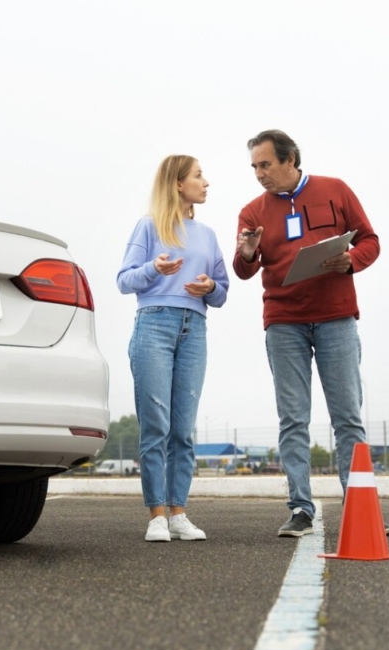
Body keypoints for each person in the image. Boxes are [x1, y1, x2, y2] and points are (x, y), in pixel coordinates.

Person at [231, 129, 389, 538]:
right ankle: (300, 509)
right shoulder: (252, 211)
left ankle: (361, 505)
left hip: (336, 319)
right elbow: (243, 269)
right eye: (254, 167)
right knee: (293, 420)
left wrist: (351, 260)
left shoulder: (336, 189)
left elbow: (371, 240)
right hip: (283, 323)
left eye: (265, 164)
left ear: (290, 160)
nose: (259, 174)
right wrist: (248, 253)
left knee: (348, 418)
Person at [117, 155, 229, 542]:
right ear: (178, 184)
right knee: (157, 426)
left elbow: (222, 291)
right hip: (154, 325)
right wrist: (154, 269)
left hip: (194, 327)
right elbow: (124, 280)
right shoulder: (148, 226)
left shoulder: (208, 234)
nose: (206, 182)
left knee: (183, 429)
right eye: (199, 175)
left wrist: (209, 288)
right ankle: (157, 516)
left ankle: (179, 512)